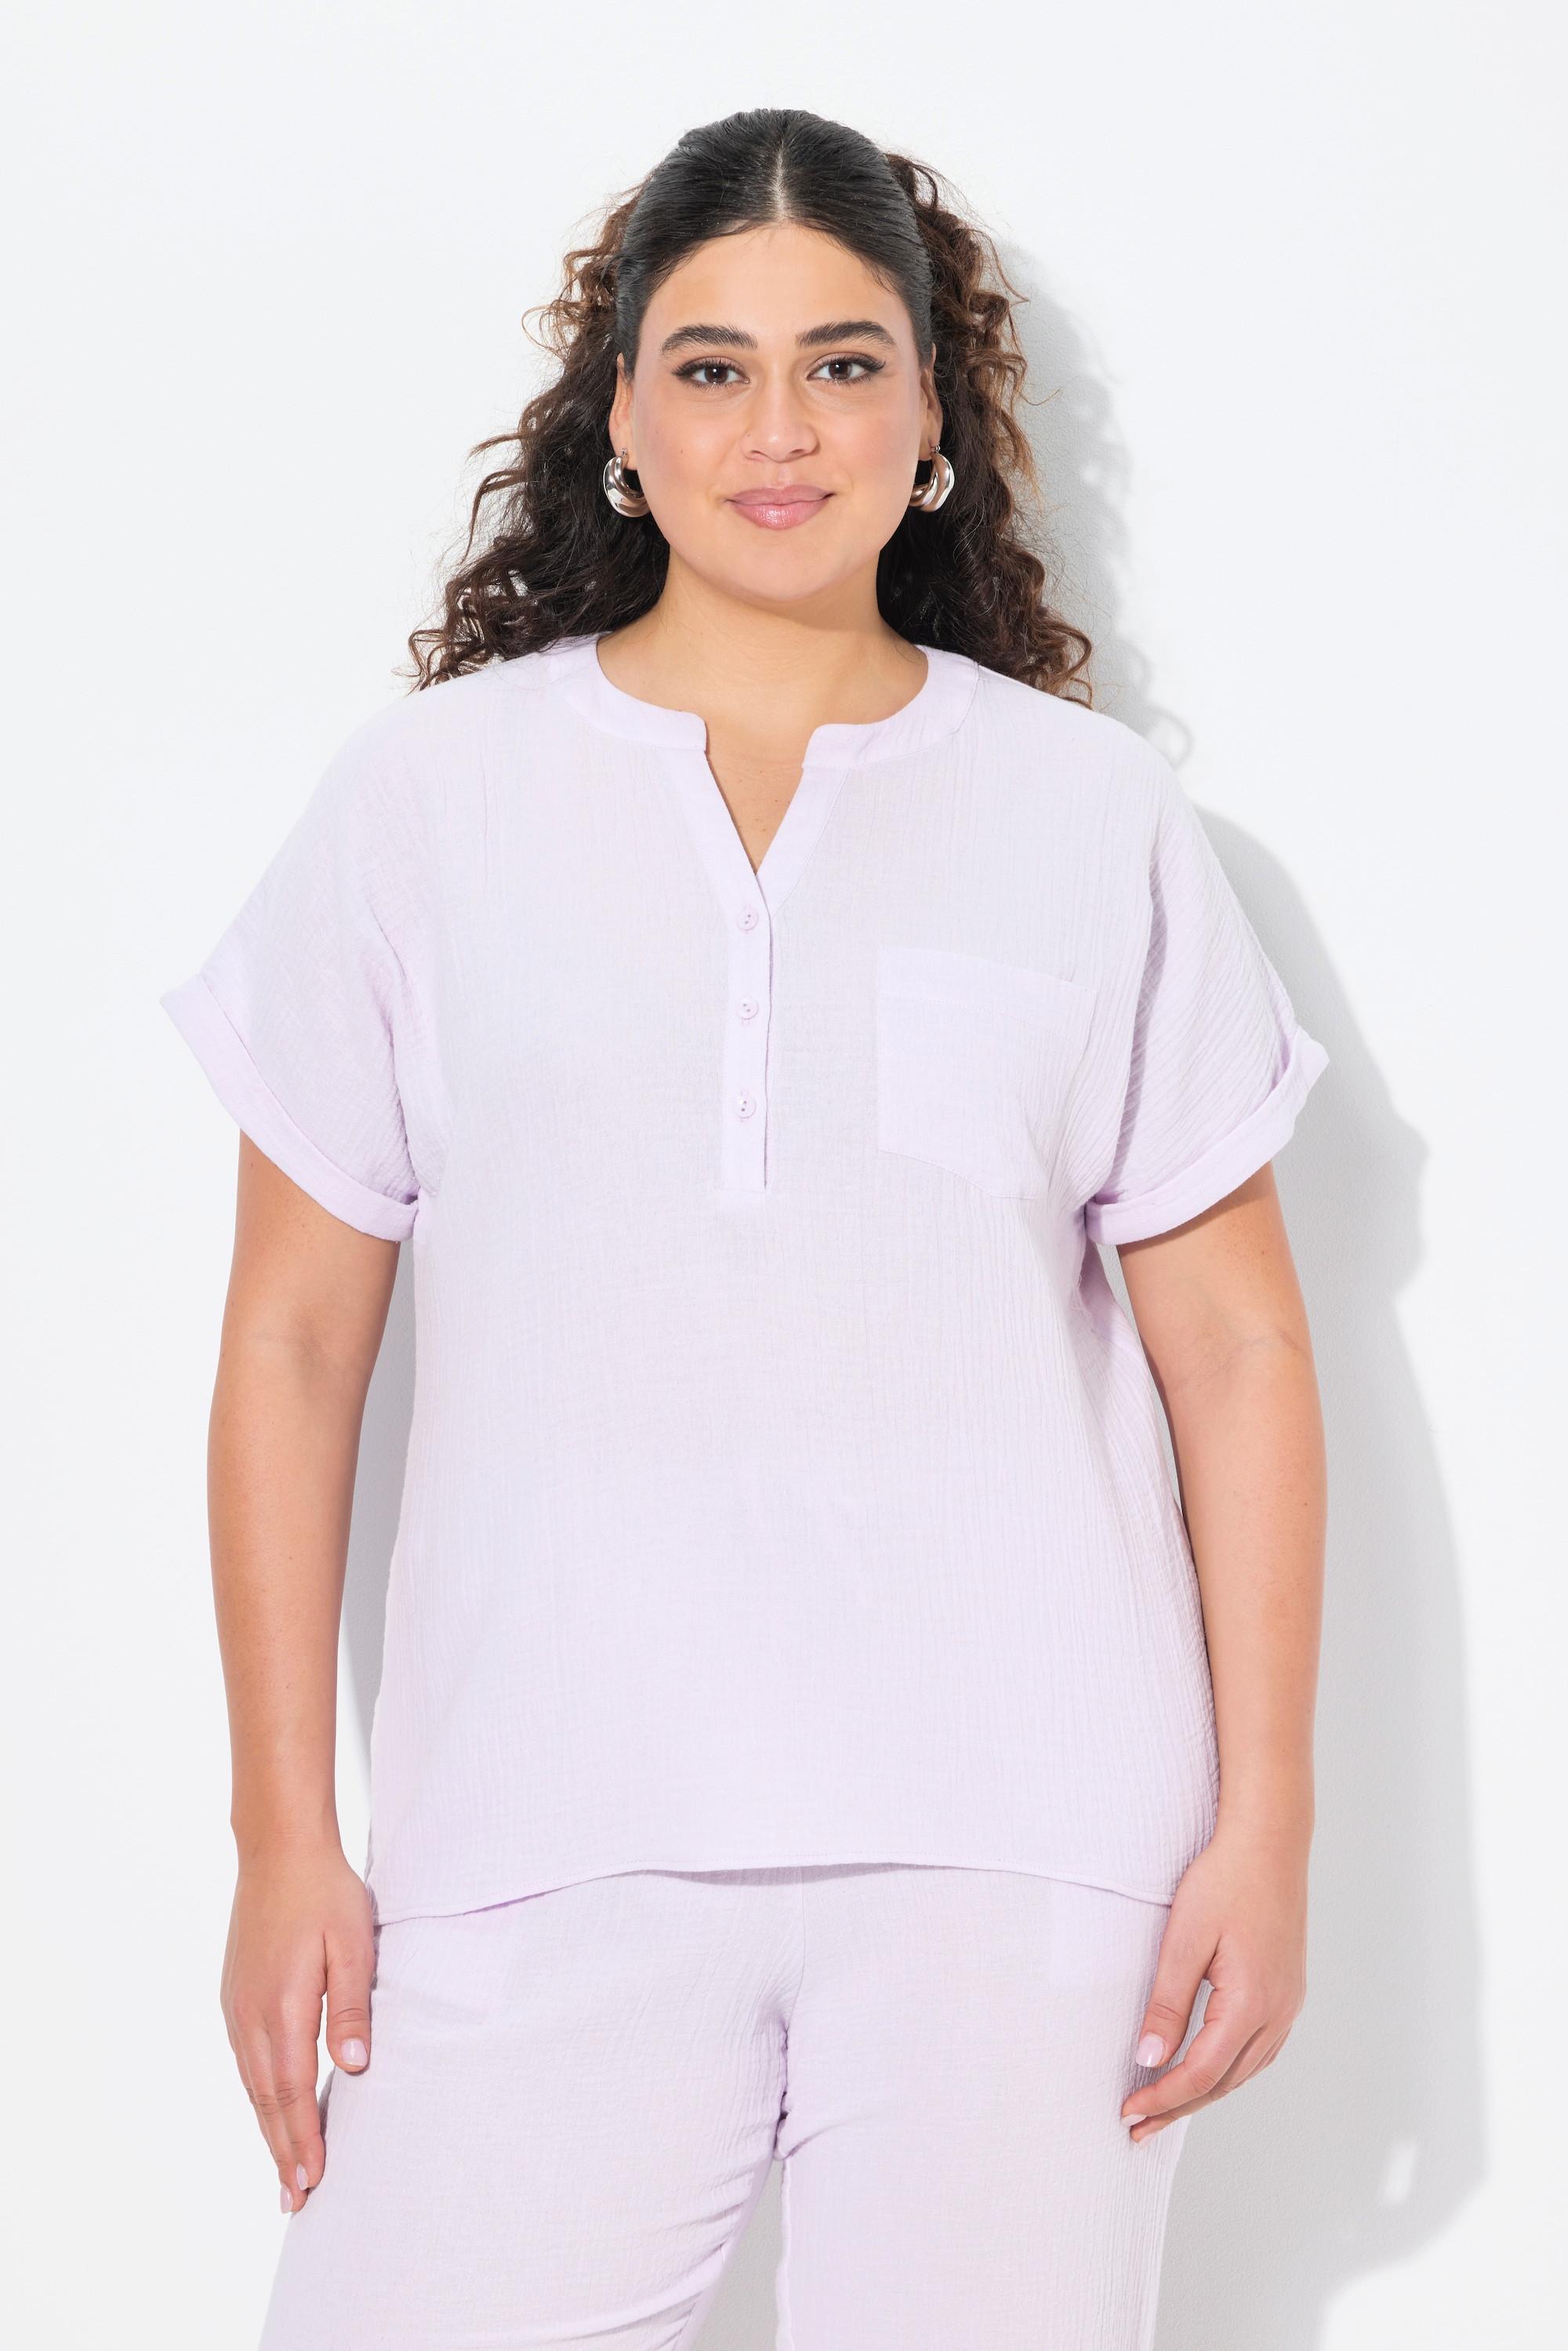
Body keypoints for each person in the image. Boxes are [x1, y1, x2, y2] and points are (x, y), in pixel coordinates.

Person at [161, 105, 1330, 2351]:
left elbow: (1243, 1351)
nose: (777, 430)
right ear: (618, 417)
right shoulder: (426, 807)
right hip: (542, 1818)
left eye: (842, 364)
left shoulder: (1091, 820)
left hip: (1023, 1840)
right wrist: (281, 1835)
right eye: (711, 367)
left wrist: (1266, 1814)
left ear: (930, 420)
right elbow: (292, 1348)